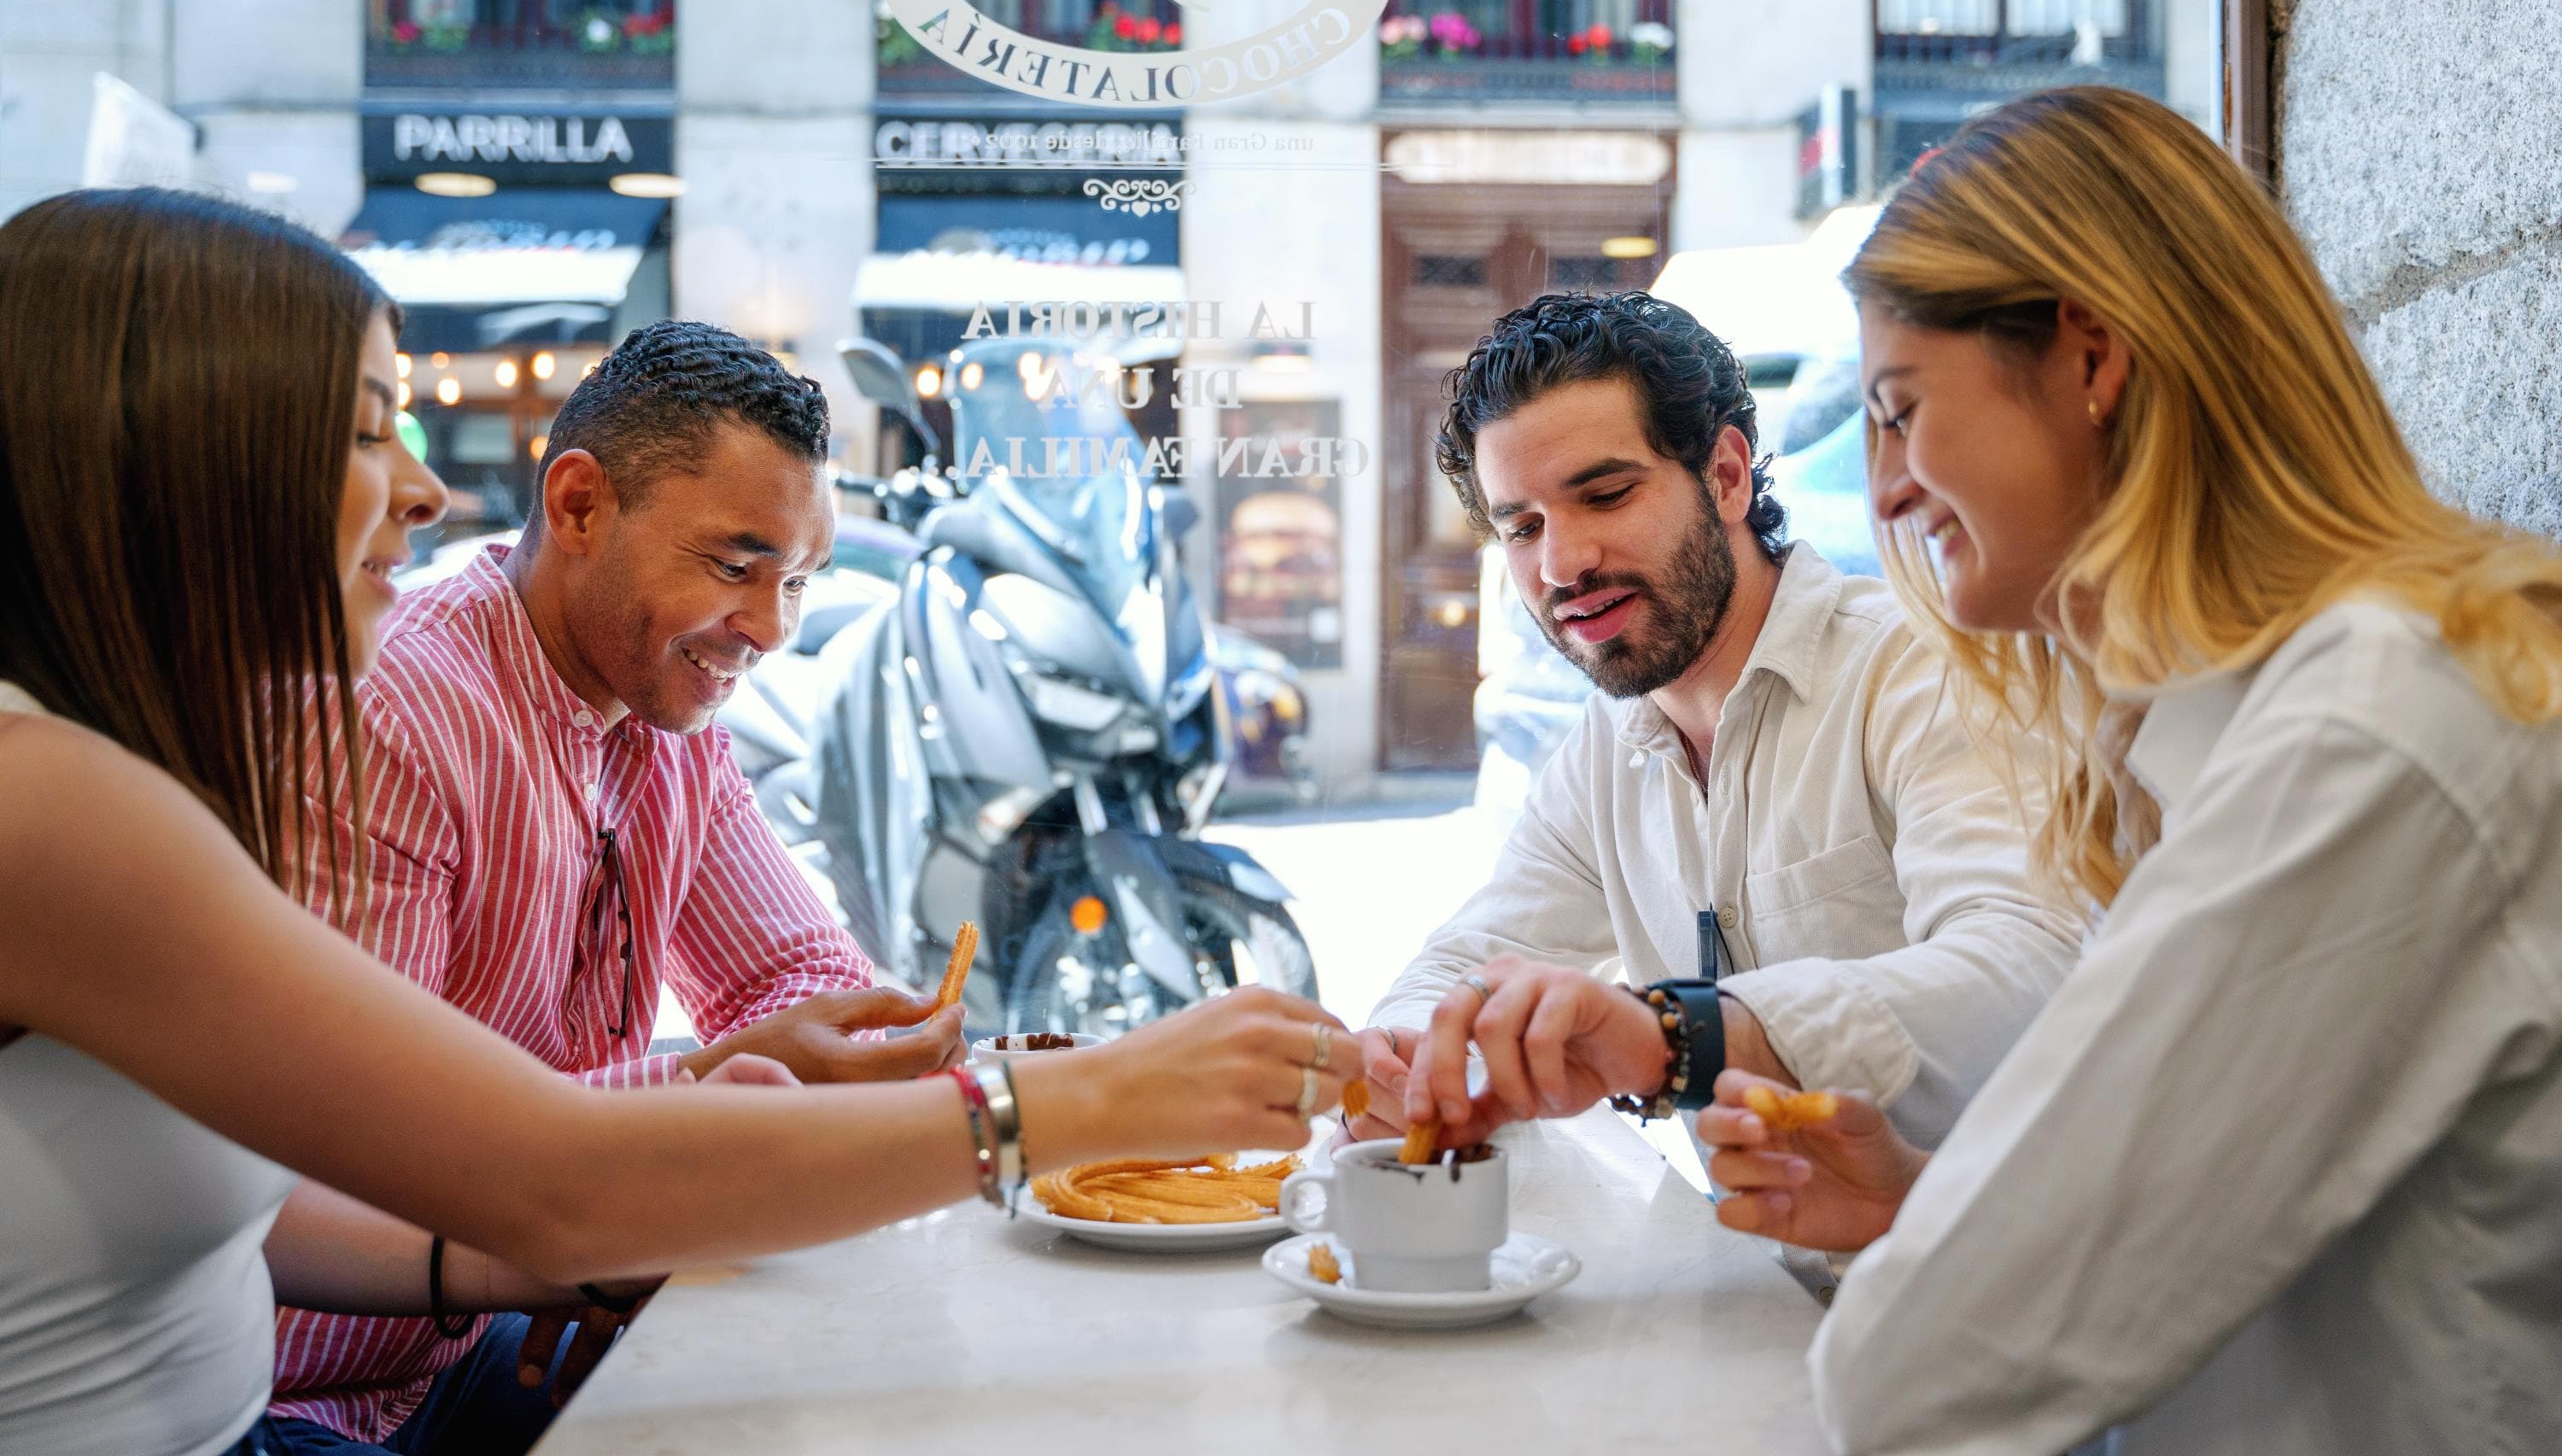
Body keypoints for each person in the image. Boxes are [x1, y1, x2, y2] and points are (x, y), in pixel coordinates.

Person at [0, 188, 1362, 1456]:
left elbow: (389, 1189)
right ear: (176, 460)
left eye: (798, 579)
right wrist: (1090, 1099)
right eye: (367, 430)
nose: (423, 489)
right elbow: (516, 1170)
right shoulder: (101, 793)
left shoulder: (652, 712)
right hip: (335, 1409)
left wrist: (552, 1244)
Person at [1422, 88, 2562, 1454]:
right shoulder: (2218, 726)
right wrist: (1915, 1200)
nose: (1888, 487)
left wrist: (1692, 1042)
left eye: (1902, 413)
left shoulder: (2369, 732)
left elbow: (1930, 1365)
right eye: (1521, 526)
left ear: (2091, 360)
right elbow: (2200, 1215)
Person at [265, 321, 964, 1450]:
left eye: (797, 581)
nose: (771, 628)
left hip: (479, 1326)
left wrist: (880, 1051)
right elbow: (363, 1142)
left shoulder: (667, 719)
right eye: (736, 567)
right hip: (295, 1384)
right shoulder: (398, 710)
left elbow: (803, 989)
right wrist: (696, 1102)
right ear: (581, 508)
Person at [1355, 291, 2081, 1152]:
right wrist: (1401, 1063)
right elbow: (1464, 962)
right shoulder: (1607, 747)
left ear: (1728, 476)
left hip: (1982, 1261)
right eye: (1524, 526)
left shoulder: (1913, 670)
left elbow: (2029, 963)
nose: (1561, 562)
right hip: (1756, 1270)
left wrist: (1676, 1035)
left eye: (1607, 493)